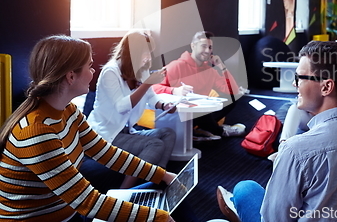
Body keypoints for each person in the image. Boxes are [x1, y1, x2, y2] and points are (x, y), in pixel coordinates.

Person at [0, 35, 177, 221]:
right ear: (71, 76)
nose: (93, 72)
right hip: (61, 216)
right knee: (160, 211)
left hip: (69, 213)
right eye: (90, 66)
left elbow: (106, 152)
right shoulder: (37, 132)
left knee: (168, 197)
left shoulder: (68, 110)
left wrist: (163, 175)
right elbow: (87, 202)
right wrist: (156, 217)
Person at [217, 41, 337, 222]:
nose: (295, 84)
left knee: (234, 201)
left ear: (326, 87)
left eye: (300, 78)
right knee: (246, 189)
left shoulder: (297, 151)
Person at [86, 30, 177, 188]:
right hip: (106, 133)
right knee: (155, 144)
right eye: (145, 53)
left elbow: (150, 97)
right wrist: (148, 83)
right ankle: (125, 191)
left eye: (149, 53)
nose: (148, 57)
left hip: (127, 130)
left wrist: (164, 105)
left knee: (168, 133)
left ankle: (152, 182)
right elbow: (122, 107)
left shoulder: (140, 70)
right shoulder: (110, 71)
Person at [153, 31, 245, 140]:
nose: (207, 51)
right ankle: (219, 131)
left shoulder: (209, 71)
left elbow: (233, 91)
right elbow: (153, 88)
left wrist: (222, 67)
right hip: (176, 115)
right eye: (204, 46)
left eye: (210, 47)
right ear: (193, 46)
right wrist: (174, 90)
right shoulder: (176, 66)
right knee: (200, 111)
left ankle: (201, 129)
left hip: (198, 113)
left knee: (233, 98)